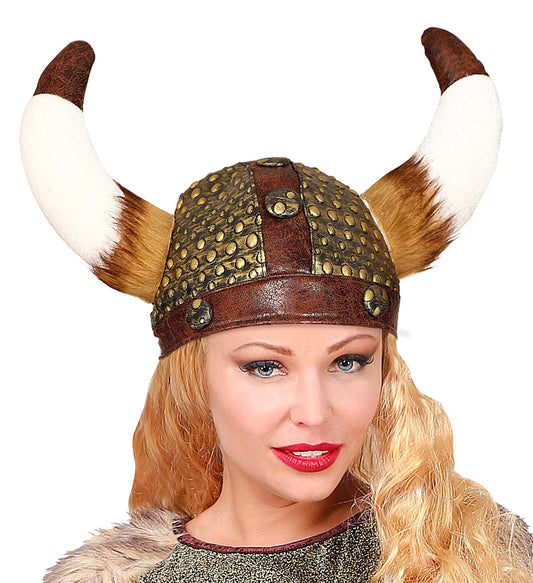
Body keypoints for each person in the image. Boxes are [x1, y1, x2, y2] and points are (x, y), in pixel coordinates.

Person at [21, 27, 532, 583]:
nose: (314, 412)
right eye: (265, 366)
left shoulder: (475, 555)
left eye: (348, 361)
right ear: (194, 379)